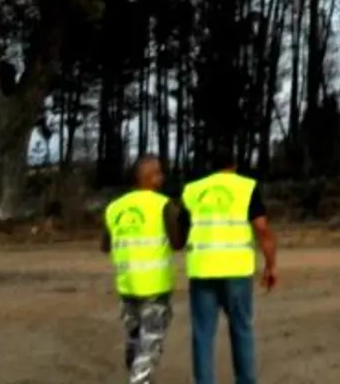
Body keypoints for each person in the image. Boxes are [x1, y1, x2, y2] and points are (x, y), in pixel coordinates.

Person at [181, 146, 278, 384]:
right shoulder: (246, 187)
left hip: (202, 270)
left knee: (203, 334)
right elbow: (262, 229)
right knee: (241, 329)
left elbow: (181, 232)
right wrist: (270, 265)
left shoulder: (192, 190)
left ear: (211, 167)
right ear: (234, 165)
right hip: (236, 271)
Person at [102, 154, 185, 384]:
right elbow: (178, 243)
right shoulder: (163, 205)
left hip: (127, 284)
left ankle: (134, 363)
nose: (162, 177)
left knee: (135, 335)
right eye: (158, 172)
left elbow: (106, 245)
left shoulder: (114, 208)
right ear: (148, 178)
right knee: (151, 341)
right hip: (155, 285)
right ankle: (139, 379)